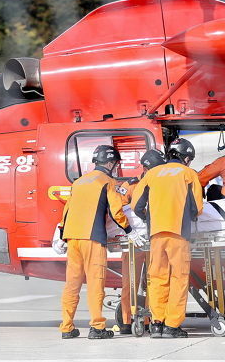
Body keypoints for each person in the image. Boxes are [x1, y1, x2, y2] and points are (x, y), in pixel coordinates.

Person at [53, 145, 132, 340]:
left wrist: (62, 233)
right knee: (96, 283)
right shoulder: (107, 181)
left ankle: (67, 327)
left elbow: (67, 211)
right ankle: (97, 327)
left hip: (73, 238)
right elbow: (116, 212)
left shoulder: (79, 182)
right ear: (111, 163)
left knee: (72, 284)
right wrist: (130, 230)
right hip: (93, 238)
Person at [130, 138, 203, 338]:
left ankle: (156, 324)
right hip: (179, 234)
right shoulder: (189, 174)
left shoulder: (151, 174)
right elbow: (197, 207)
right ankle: (172, 326)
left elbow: (136, 204)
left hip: (156, 236)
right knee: (178, 279)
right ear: (186, 158)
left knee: (157, 278)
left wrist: (149, 219)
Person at [116, 149, 166, 335]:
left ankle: (150, 319)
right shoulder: (131, 185)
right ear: (145, 168)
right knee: (130, 281)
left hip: (155, 238)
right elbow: (119, 209)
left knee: (153, 280)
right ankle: (127, 320)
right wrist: (129, 232)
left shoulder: (162, 182)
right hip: (135, 240)